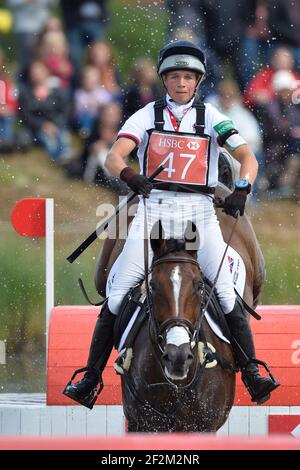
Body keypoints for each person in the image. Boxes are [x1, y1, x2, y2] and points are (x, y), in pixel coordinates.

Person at [63, 41, 279, 409]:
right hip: (153, 214)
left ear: (197, 81)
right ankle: (91, 377)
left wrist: (242, 188)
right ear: (165, 80)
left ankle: (252, 371)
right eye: (175, 76)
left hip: (200, 214)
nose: (181, 83)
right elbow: (114, 156)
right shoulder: (146, 116)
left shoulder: (213, 117)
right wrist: (131, 176)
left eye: (188, 77)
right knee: (116, 295)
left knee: (227, 293)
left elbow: (247, 158)